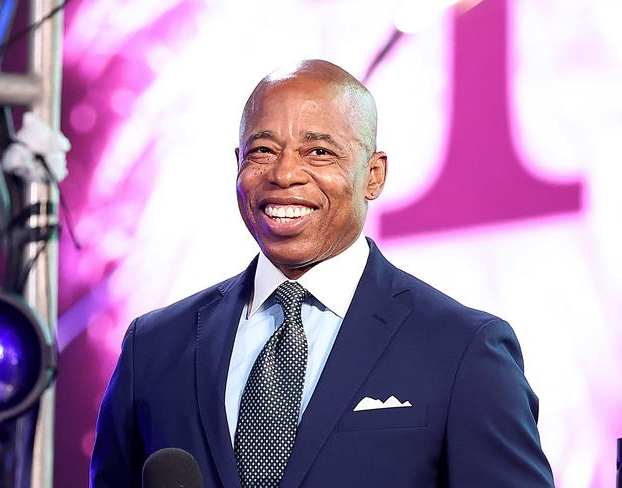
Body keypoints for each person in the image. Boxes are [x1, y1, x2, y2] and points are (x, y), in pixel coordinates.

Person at [90, 59, 554, 487]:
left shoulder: (464, 349)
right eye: (263, 150)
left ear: (373, 175)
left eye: (318, 152)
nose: (284, 173)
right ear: (238, 165)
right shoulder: (152, 348)